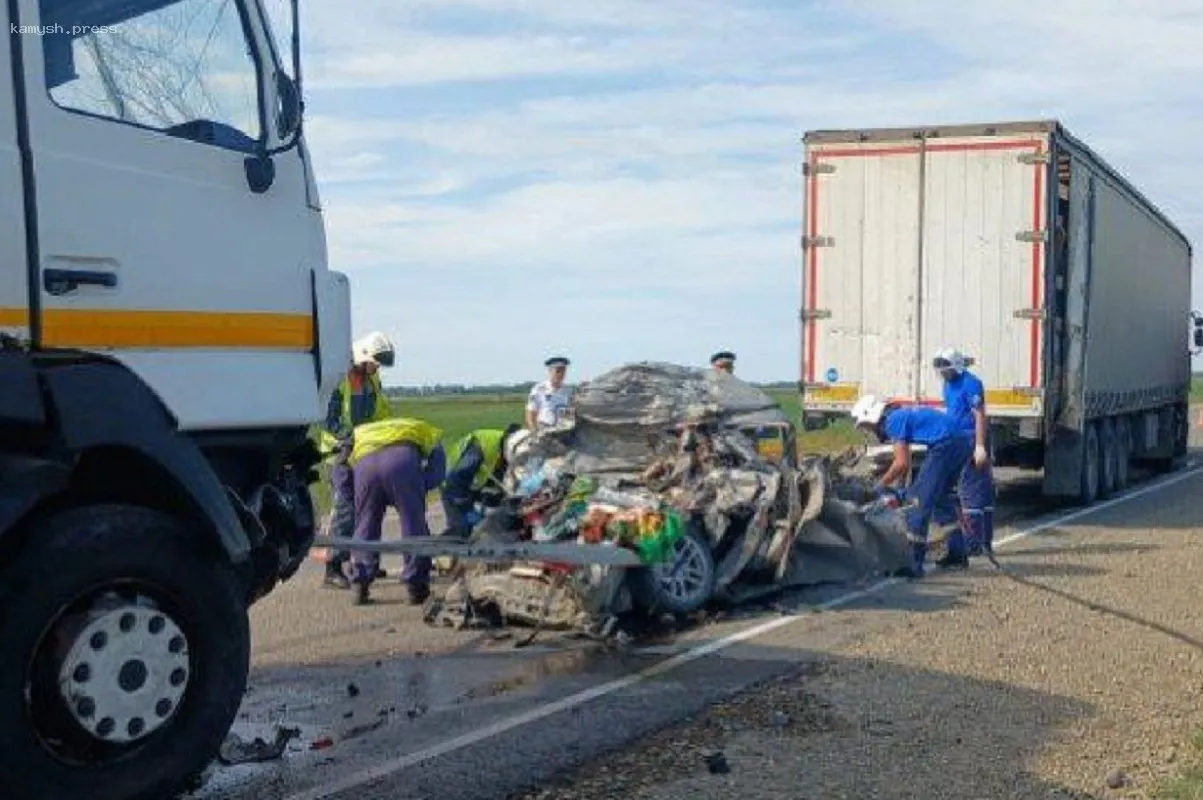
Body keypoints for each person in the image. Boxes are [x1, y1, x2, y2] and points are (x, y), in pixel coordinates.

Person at [850, 394, 975, 577]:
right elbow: (905, 463)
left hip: (945, 444)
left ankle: (913, 563)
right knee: (941, 497)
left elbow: (900, 463)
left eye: (867, 426)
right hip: (960, 442)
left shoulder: (893, 421)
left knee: (919, 502)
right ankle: (957, 553)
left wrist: (879, 486)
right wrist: (899, 485)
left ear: (872, 415)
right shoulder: (900, 415)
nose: (870, 430)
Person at [318, 331, 396, 589]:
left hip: (363, 452)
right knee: (345, 510)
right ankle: (333, 568)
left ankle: (366, 564)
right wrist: (348, 437)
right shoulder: (340, 379)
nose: (376, 367)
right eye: (374, 362)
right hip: (340, 455)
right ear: (362, 356)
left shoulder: (372, 380)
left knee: (369, 507)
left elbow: (382, 413)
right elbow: (328, 418)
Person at [345, 416, 447, 606]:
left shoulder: (360, 432)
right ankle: (416, 588)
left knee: (365, 526)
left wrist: (351, 492)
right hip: (403, 463)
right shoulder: (424, 429)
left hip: (365, 466)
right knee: (413, 525)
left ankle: (360, 584)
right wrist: (420, 485)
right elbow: (438, 467)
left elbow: (340, 465)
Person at [932, 347, 996, 558]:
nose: (943, 373)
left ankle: (974, 543)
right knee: (977, 492)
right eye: (941, 370)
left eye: (946, 369)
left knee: (972, 493)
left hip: (971, 440)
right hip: (958, 439)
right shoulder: (948, 385)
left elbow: (980, 415)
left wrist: (980, 446)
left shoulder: (971, 383)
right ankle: (982, 542)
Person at [441, 425, 531, 537]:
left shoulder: (502, 447)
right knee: (461, 528)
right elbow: (455, 482)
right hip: (454, 489)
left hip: (473, 483)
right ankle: (446, 549)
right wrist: (468, 511)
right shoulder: (480, 449)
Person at [525, 356, 573, 431]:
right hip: (544, 429)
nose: (561, 374)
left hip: (564, 431)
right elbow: (531, 411)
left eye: (563, 371)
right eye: (558, 371)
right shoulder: (539, 389)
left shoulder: (569, 390)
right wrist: (534, 430)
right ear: (550, 371)